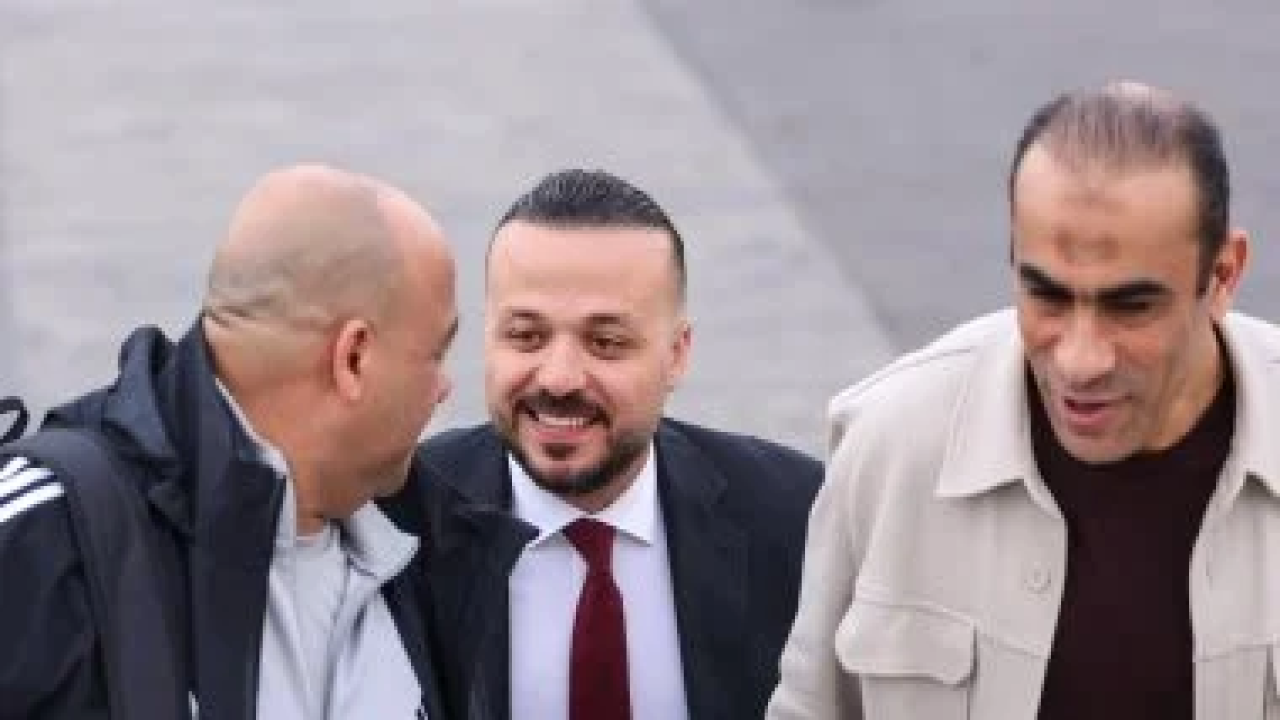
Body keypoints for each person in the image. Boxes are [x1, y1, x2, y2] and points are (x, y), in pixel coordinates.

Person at [766, 81, 1280, 720]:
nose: (1080, 361)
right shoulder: (891, 444)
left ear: (1223, 275)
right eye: (1047, 296)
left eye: (1131, 307)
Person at [0, 164, 457, 719]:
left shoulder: (441, 555)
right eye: (435, 354)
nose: (444, 388)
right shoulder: (43, 539)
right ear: (353, 358)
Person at [412, 168, 823, 720]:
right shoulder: (396, 523)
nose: (559, 378)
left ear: (676, 354)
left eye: (605, 342)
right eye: (526, 337)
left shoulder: (795, 517)